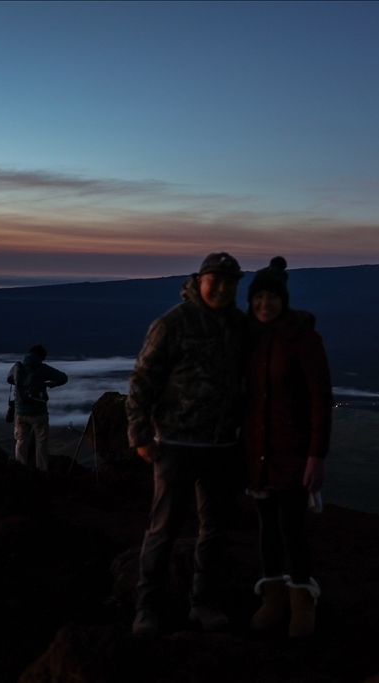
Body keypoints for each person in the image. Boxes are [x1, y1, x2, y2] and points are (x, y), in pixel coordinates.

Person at [126, 253, 247, 637]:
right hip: (176, 444)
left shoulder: (240, 326)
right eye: (216, 280)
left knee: (214, 530)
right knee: (164, 530)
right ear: (199, 280)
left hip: (223, 445)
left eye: (231, 282)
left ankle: (203, 603)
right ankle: (147, 609)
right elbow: (143, 379)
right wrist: (140, 435)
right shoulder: (173, 323)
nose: (223, 288)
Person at [242, 256, 332, 637]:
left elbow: (320, 398)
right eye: (258, 296)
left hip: (292, 450)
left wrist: (316, 455)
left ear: (284, 300)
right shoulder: (248, 337)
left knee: (291, 526)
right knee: (266, 526)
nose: (265, 304)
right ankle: (272, 600)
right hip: (256, 450)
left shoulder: (304, 340)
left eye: (272, 297)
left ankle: (301, 604)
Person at [7, 344, 68, 471]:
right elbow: (63, 378)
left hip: (20, 412)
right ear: (41, 357)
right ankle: (41, 469)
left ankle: (20, 468)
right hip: (39, 412)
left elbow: (9, 379)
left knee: (21, 440)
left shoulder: (17, 367)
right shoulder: (42, 369)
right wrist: (49, 384)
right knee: (41, 441)